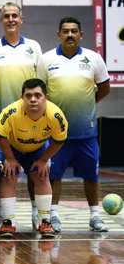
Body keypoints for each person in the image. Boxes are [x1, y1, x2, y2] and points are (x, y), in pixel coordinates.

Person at [37, 17, 111, 233]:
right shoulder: (46, 59)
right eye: (66, 31)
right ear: (58, 34)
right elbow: (39, 92)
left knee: (91, 176)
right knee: (54, 176)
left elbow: (104, 88)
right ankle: (54, 216)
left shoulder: (93, 58)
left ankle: (95, 216)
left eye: (74, 31)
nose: (70, 35)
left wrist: (87, 104)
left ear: (81, 35)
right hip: (56, 134)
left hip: (86, 132)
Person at [0, 2, 43, 229]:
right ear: (1, 20)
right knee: (3, 171)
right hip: (0, 123)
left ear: (21, 19)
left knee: (36, 171)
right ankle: (3, 214)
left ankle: (38, 214)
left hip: (32, 122)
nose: (10, 19)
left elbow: (41, 85)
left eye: (14, 15)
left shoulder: (34, 47)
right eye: (6, 16)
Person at [0, 78, 68, 238]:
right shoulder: (10, 112)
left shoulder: (56, 115)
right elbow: (0, 135)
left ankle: (44, 221)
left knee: (42, 175)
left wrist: (43, 160)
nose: (33, 99)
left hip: (38, 149)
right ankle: (8, 223)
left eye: (37, 95)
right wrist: (10, 158)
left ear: (45, 97)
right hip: (11, 148)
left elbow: (59, 140)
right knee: (9, 175)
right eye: (28, 95)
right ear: (22, 98)